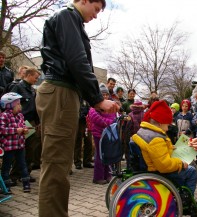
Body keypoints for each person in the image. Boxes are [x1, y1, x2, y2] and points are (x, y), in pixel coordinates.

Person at [36, 0, 119, 216]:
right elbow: (77, 60)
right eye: (97, 9)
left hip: (64, 93)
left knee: (60, 165)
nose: (96, 15)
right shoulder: (67, 16)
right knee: (56, 165)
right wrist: (97, 99)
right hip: (60, 93)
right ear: (84, 0)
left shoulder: (71, 20)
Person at [131, 100, 197, 194]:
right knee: (192, 171)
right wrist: (181, 164)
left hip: (151, 167)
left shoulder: (145, 131)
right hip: (159, 172)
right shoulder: (156, 139)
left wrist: (174, 148)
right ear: (161, 123)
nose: (168, 128)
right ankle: (185, 198)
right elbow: (164, 165)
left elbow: (159, 151)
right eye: (167, 124)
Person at [10, 67, 41, 183]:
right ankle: (14, 175)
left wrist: (37, 122)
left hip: (31, 122)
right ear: (28, 75)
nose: (36, 80)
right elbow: (10, 105)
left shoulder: (32, 90)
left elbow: (35, 107)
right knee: (19, 149)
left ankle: (26, 173)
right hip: (21, 122)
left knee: (30, 148)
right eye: (35, 78)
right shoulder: (17, 87)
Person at [0, 92, 30, 193]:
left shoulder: (20, 115)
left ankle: (26, 184)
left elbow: (23, 126)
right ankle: (6, 186)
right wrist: (15, 130)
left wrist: (25, 129)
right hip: (9, 147)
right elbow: (2, 130)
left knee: (23, 165)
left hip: (20, 145)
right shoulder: (4, 116)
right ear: (9, 105)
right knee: (6, 166)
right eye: (18, 104)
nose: (20, 105)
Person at [88, 84, 116, 184]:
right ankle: (98, 177)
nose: (105, 97)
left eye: (106, 95)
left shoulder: (110, 106)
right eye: (102, 94)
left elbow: (113, 117)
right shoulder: (94, 107)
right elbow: (96, 119)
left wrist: (109, 122)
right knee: (99, 155)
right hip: (98, 134)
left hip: (107, 134)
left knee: (107, 155)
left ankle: (108, 175)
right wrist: (108, 122)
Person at [74, 99, 93, 170]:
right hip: (78, 122)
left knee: (89, 141)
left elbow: (90, 108)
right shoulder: (77, 97)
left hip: (87, 122)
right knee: (78, 141)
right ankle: (77, 162)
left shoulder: (87, 99)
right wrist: (81, 115)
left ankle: (87, 161)